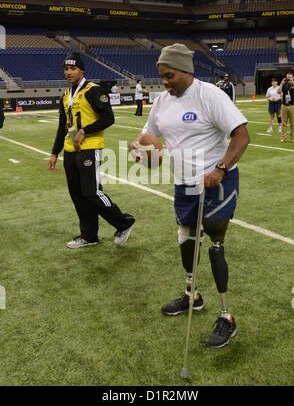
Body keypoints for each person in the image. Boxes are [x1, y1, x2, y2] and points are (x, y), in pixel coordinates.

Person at [129, 44, 250, 349]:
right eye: (161, 76)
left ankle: (227, 317)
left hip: (216, 182)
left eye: (169, 75)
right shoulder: (161, 101)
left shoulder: (209, 94)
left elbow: (241, 135)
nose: (165, 81)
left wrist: (220, 169)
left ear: (186, 71)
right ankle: (192, 296)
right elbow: (149, 136)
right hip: (184, 184)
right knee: (186, 238)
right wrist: (138, 148)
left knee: (214, 240)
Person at [48, 52, 135, 249]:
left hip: (89, 149)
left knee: (92, 193)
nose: (69, 72)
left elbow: (108, 118)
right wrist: (55, 152)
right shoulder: (66, 95)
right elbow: (63, 126)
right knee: (78, 196)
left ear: (82, 70)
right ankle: (89, 236)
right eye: (66, 69)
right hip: (70, 151)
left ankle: (124, 222)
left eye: (73, 69)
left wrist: (84, 131)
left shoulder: (93, 90)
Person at [277, 72, 294, 143]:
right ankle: (283, 138)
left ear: (293, 77)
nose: (288, 78)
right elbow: (278, 92)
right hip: (284, 106)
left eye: (290, 77)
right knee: (284, 123)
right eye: (287, 77)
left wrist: (293, 83)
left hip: (292, 106)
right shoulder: (284, 85)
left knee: (292, 123)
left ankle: (293, 138)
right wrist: (281, 83)